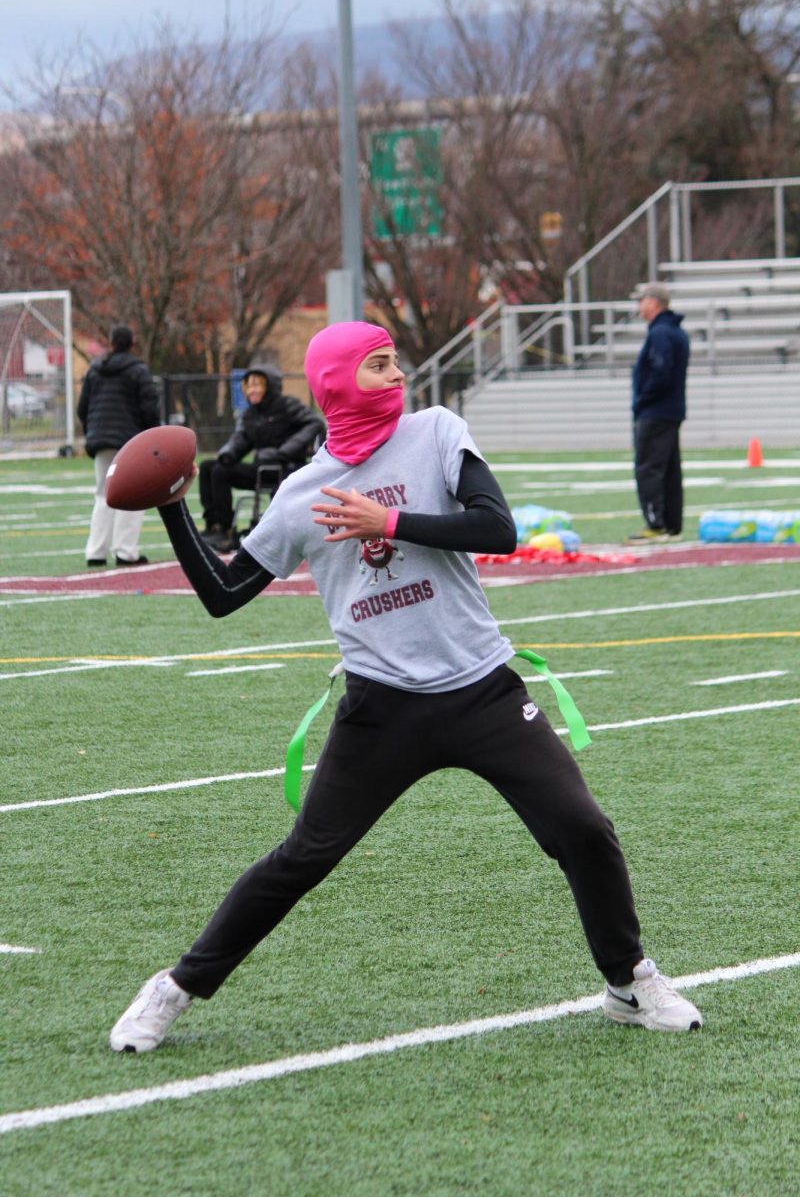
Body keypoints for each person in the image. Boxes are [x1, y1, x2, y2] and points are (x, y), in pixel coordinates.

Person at [110, 320, 702, 1053]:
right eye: (378, 365)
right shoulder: (300, 495)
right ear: (334, 383)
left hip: (480, 687)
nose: (397, 376)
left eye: (394, 362)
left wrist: (386, 518)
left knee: (582, 827)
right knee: (302, 858)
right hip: (381, 707)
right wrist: (172, 507)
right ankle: (173, 988)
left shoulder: (434, 432)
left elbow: (498, 528)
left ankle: (629, 981)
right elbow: (224, 594)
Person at [199, 364, 325, 551]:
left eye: (257, 385)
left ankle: (225, 528)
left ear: (270, 386)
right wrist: (227, 454)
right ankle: (214, 524)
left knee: (221, 473)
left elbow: (315, 423)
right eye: (248, 386)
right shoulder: (250, 414)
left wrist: (284, 451)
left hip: (285, 468)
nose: (252, 390)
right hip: (261, 468)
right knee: (209, 466)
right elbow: (240, 438)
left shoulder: (287, 405)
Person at [77, 324, 161, 566]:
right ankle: (125, 552)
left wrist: (92, 432)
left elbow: (82, 408)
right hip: (130, 442)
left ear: (111, 342)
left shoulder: (94, 370)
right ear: (132, 343)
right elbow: (149, 408)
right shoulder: (138, 371)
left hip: (101, 440)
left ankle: (95, 552)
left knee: (103, 494)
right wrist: (152, 437)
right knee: (133, 495)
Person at [625, 281, 690, 545]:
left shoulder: (661, 333)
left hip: (655, 411)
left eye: (642, 300)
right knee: (669, 469)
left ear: (654, 302)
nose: (639, 306)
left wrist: (642, 398)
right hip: (670, 410)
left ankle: (656, 523)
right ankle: (672, 524)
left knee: (648, 468)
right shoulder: (675, 331)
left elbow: (660, 371)